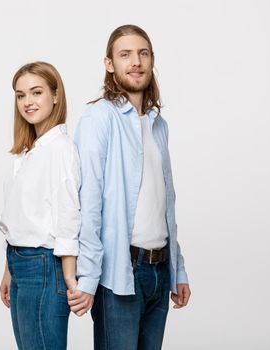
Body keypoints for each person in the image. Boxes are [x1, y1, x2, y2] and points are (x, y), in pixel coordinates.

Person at [66, 25, 191, 349]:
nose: (136, 62)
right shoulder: (99, 119)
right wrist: (89, 277)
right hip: (121, 272)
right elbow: (88, 203)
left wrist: (178, 270)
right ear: (109, 64)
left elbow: (165, 203)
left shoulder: (157, 124)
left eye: (143, 53)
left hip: (159, 271)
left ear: (151, 60)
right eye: (125, 55)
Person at [0, 61, 81, 350]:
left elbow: (68, 216)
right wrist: (9, 271)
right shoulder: (26, 152)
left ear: (55, 95)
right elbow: (19, 218)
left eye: (36, 92)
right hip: (20, 263)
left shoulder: (60, 149)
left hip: (45, 266)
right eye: (21, 95)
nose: (27, 102)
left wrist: (70, 277)